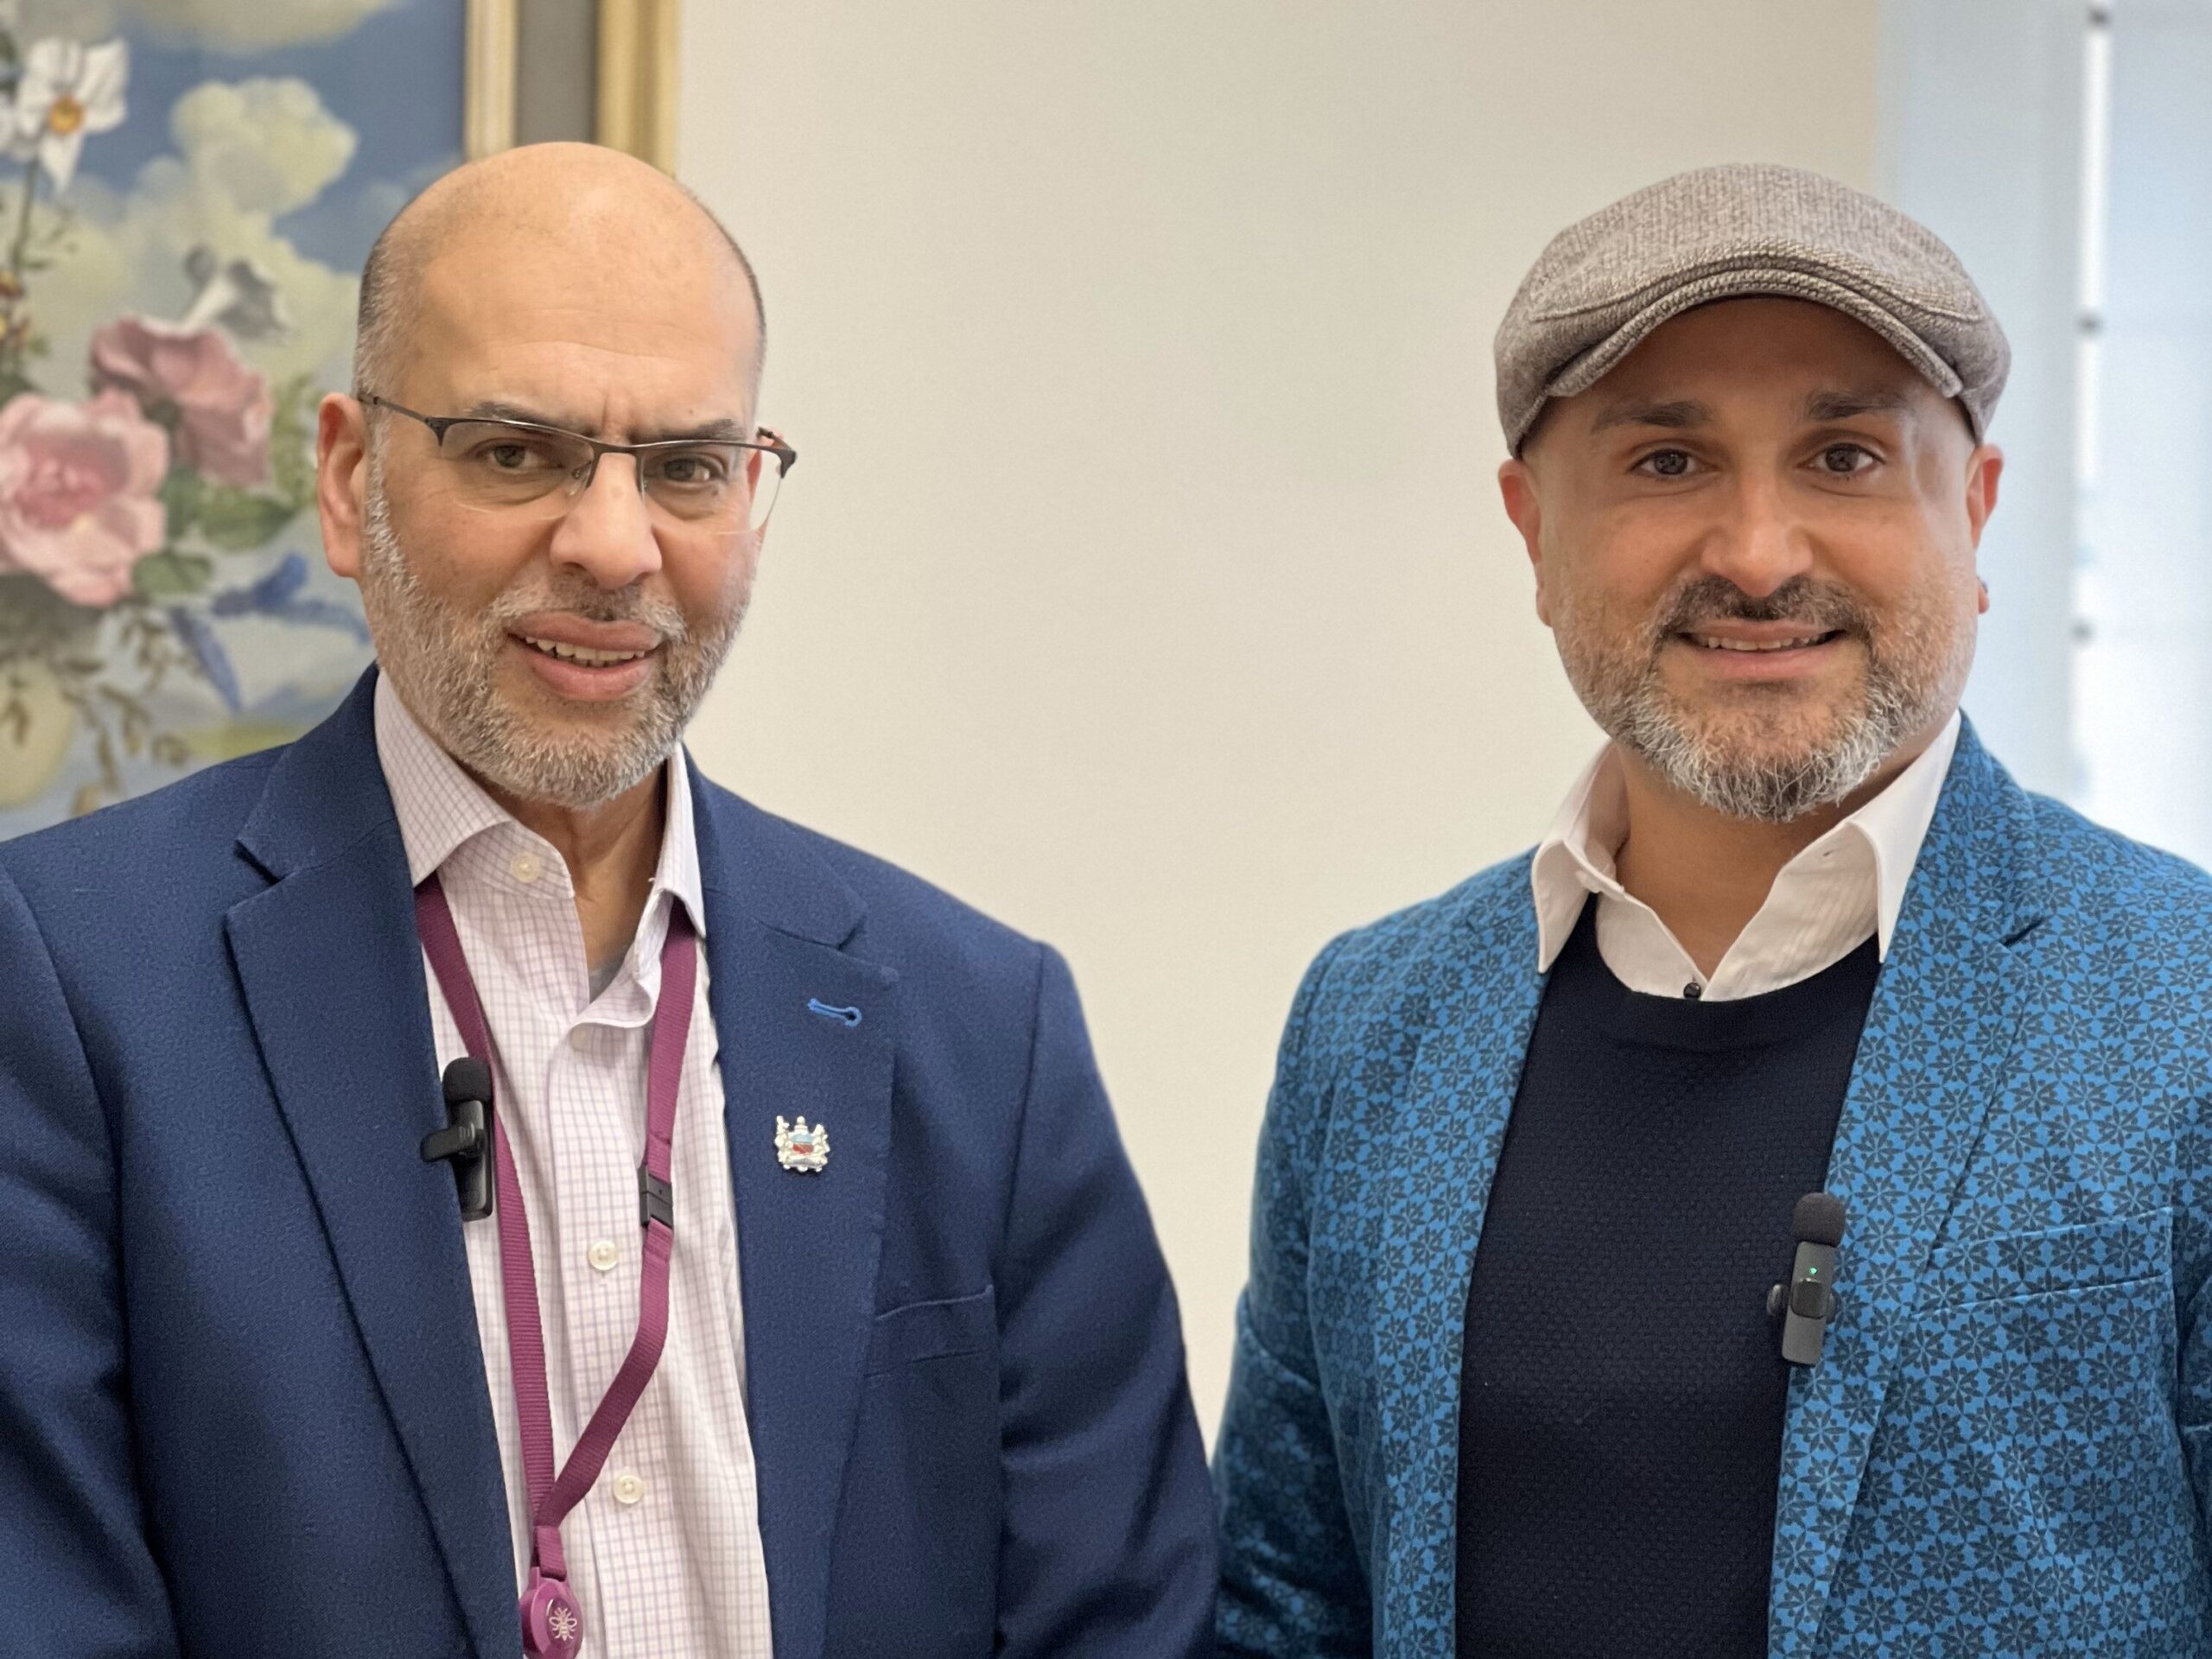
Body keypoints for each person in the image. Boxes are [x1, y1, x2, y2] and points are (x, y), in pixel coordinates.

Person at [0, 142, 1215, 1658]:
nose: (615, 546)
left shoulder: (981, 1025)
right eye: (518, 450)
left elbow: (1123, 1621)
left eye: (691, 469)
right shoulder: (67, 983)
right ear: (348, 475)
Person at [1213, 162, 2212, 1657]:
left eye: (1847, 457)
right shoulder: (1373, 1027)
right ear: (1532, 532)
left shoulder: (2180, 1005)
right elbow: (1282, 1609)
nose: (1758, 555)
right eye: (1668, 463)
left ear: (1979, 509)